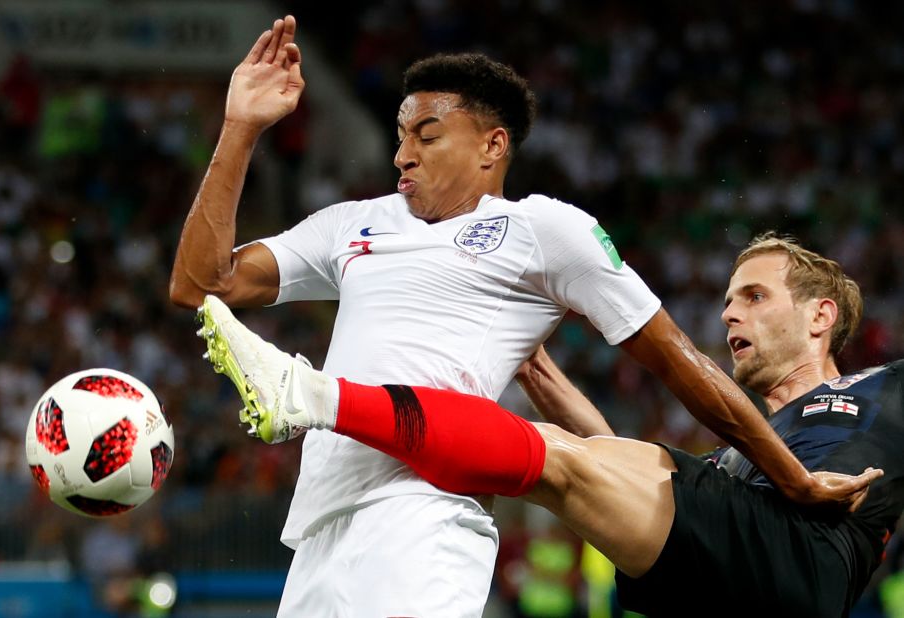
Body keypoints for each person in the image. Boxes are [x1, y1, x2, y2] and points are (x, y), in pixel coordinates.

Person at [172, 15, 872, 616]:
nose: (401, 153)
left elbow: (677, 361)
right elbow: (201, 284)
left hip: (422, 511)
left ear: (492, 146)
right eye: (400, 133)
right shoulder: (353, 224)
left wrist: (793, 479)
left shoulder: (544, 232)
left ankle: (305, 391)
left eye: (427, 134)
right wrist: (240, 127)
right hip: (321, 523)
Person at [197, 234, 895, 617]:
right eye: (727, 299)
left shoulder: (886, 387)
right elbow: (609, 455)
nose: (729, 314)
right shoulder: (734, 464)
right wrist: (536, 371)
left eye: (753, 296)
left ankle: (313, 396)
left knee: (558, 459)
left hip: (802, 558)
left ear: (820, 315)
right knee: (572, 454)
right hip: (721, 587)